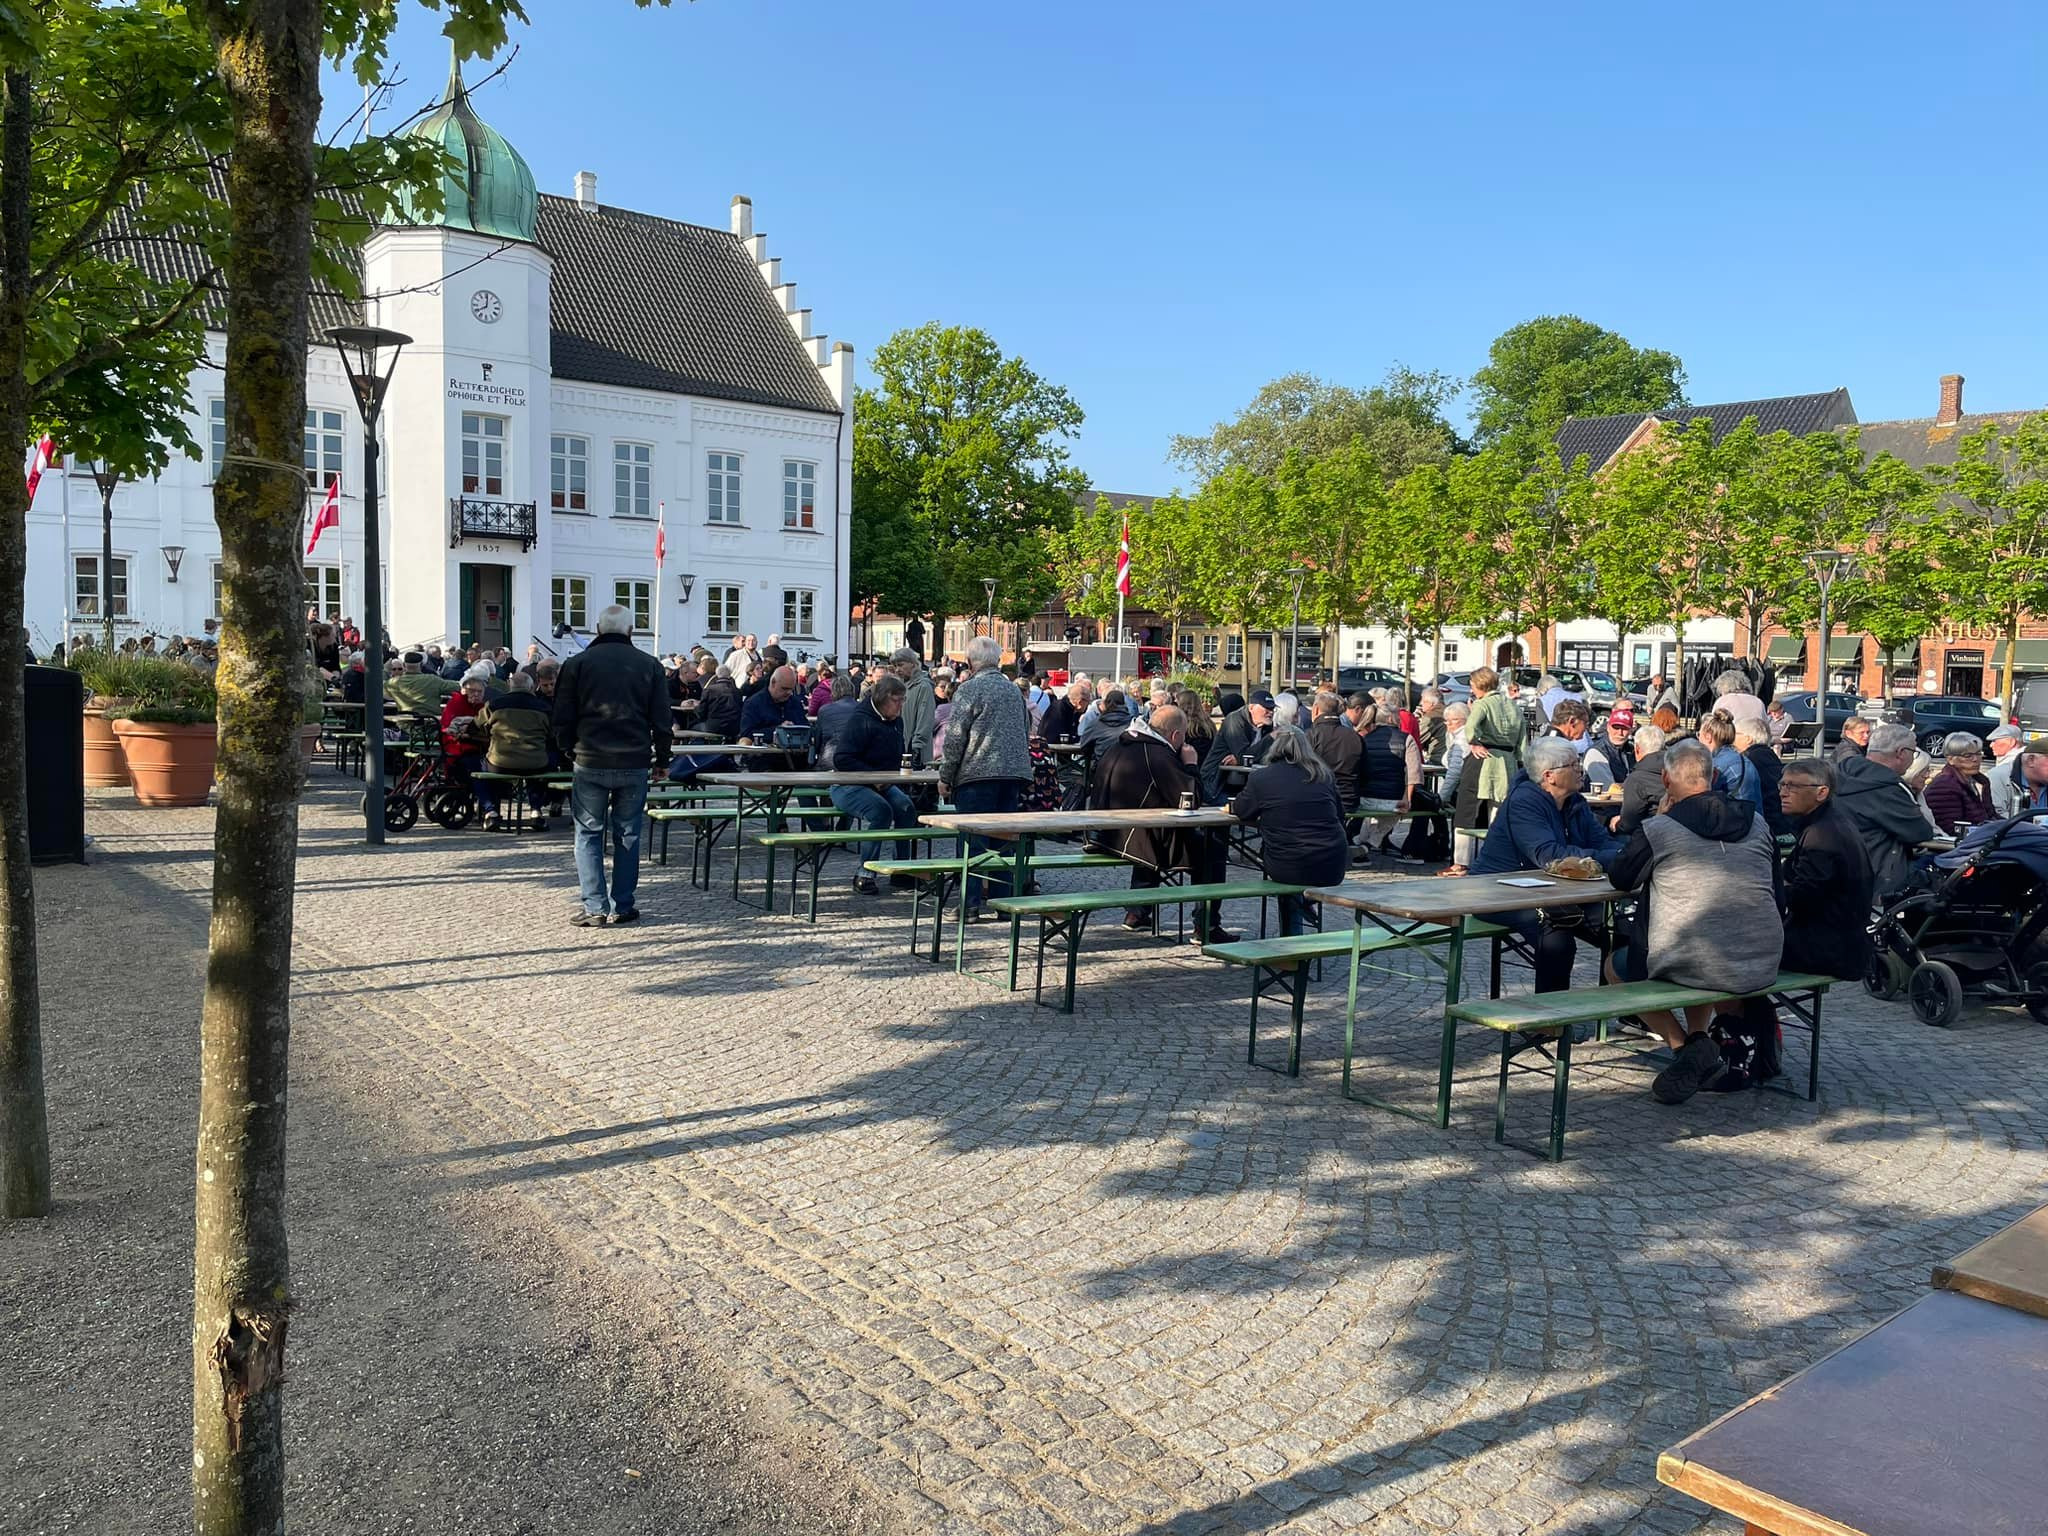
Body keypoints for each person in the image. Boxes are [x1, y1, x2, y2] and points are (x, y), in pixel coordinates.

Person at [1604, 739, 1783, 1103]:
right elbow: (1778, 891)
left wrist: (1657, 821)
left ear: (1667, 782)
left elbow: (1622, 878)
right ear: (1714, 776)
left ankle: (1684, 1047)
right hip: (1762, 957)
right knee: (1692, 951)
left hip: (1696, 958)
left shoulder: (1661, 830)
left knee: (1616, 967)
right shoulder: (1759, 823)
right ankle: (1700, 1042)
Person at [1471, 736, 1622, 991]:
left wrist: (1620, 855)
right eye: (1573, 765)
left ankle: (1630, 1012)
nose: (1580, 769)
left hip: (1556, 891)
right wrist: (1609, 858)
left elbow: (1602, 841)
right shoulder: (1524, 801)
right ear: (1549, 775)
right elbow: (1551, 856)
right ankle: (1549, 1023)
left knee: (1621, 925)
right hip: (1500, 891)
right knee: (1556, 936)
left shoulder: (1575, 802)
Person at [552, 604, 669, 927]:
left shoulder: (577, 664)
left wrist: (567, 750)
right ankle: (623, 904)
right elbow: (662, 718)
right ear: (631, 631)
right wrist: (662, 758)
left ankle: (594, 907)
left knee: (588, 833)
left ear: (598, 629)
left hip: (590, 758)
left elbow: (562, 714)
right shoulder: (650, 665)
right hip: (633, 759)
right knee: (628, 834)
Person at [1087, 703, 1235, 943]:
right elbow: (1190, 799)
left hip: (1105, 833)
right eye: (1183, 736)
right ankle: (1206, 925)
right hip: (1133, 839)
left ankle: (1138, 912)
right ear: (1175, 735)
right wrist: (1190, 764)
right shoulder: (1158, 754)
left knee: (1154, 832)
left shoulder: (1121, 745)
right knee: (1212, 850)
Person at [938, 635, 1034, 919]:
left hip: (977, 774)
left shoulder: (969, 690)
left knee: (973, 842)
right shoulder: (1014, 691)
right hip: (1013, 774)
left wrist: (946, 775)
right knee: (1004, 842)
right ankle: (1003, 906)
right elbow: (1025, 728)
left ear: (970, 662)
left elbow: (955, 739)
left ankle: (969, 906)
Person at [1231, 724, 1349, 936]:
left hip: (1289, 864)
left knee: (1285, 865)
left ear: (1274, 748)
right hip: (1332, 862)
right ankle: (1302, 909)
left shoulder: (1262, 778)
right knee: (1293, 865)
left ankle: (1290, 943)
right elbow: (1340, 815)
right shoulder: (1324, 775)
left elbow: (1241, 810)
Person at [1777, 757, 1875, 981]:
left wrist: (1773, 885)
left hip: (1826, 949)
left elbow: (1802, 897)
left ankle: (1754, 1017)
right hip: (1836, 943)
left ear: (1821, 793)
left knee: (1734, 956)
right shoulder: (1829, 823)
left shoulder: (1822, 834)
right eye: (1782, 784)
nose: (1783, 792)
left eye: (1793, 786)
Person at [830, 672, 917, 895]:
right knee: (880, 811)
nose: (901, 706)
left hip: (883, 782)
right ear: (883, 699)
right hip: (848, 784)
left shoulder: (896, 720)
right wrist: (872, 776)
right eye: (897, 701)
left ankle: (902, 869)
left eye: (902, 700)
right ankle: (865, 873)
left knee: (907, 808)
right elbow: (842, 759)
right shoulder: (861, 720)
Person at [1835, 721, 1936, 899]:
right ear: (1901, 753)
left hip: (1837, 868)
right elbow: (1920, 832)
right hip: (1878, 877)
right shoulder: (1890, 788)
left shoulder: (1839, 772)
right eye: (1913, 752)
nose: (1913, 757)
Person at [472, 670, 554, 831]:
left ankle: (491, 811)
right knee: (542, 765)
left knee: (478, 768)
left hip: (499, 762)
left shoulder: (494, 705)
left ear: (510, 686)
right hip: (535, 763)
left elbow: (476, 726)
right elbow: (552, 734)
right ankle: (536, 811)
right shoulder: (544, 708)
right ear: (532, 687)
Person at [1457, 666, 1525, 854]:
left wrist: (1474, 743)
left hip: (1485, 759)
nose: (1471, 689)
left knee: (1468, 808)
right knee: (1498, 810)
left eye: (1472, 685)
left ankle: (1461, 861)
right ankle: (1495, 854)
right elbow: (1523, 739)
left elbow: (1470, 728)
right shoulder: (1513, 705)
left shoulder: (1482, 704)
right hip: (1508, 761)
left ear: (1478, 685)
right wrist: (1518, 760)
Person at [1354, 700, 1423, 864]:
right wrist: (1408, 799)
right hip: (1393, 800)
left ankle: (1359, 843)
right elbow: (1414, 774)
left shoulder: (1364, 739)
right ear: (1392, 719)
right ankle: (1370, 843)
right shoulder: (1407, 739)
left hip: (1365, 799)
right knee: (1399, 809)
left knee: (1371, 814)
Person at [1202, 689, 1275, 803]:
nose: (1270, 712)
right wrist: (1271, 738)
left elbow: (1263, 757)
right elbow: (1244, 757)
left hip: (1243, 784)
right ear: (1251, 708)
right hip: (1216, 786)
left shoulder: (1266, 725)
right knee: (1251, 807)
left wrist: (1242, 758)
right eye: (1266, 709)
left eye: (1272, 709)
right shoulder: (1234, 721)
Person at [1922, 732, 1996, 834]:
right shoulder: (1944, 786)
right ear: (1950, 759)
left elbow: (1991, 816)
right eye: (1967, 755)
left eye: (1978, 753)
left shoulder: (1980, 782)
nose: (1975, 759)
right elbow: (1953, 829)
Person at [1306, 689, 1363, 814]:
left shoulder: (1310, 736)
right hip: (1349, 801)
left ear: (1315, 709)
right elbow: (1365, 772)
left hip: (1318, 799)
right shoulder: (1356, 737)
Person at [438, 669, 490, 795]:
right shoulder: (456, 703)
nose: (476, 694)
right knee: (475, 766)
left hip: (480, 747)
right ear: (464, 690)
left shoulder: (484, 707)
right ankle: (488, 805)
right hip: (457, 748)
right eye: (472, 691)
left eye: (479, 692)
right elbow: (449, 730)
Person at [1735, 715, 1788, 835]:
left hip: (1766, 825)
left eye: (1736, 734)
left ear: (1748, 739)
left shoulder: (1748, 760)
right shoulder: (1768, 755)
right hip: (1780, 821)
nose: (1732, 737)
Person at [1615, 722, 1669, 835]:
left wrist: (1614, 824)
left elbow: (1628, 824)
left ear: (1637, 749)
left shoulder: (1637, 779)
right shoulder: (1680, 770)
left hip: (1651, 836)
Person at [1698, 711, 1759, 805]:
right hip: (1755, 817)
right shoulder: (1745, 760)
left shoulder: (1716, 766)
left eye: (1699, 735)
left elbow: (1700, 799)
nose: (1698, 739)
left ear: (1708, 737)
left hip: (1734, 817)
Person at [738, 664, 808, 745]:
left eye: (791, 689)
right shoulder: (754, 704)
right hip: (763, 755)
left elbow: (806, 728)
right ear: (773, 683)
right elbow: (746, 734)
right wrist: (778, 731)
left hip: (794, 754)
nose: (788, 693)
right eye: (784, 689)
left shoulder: (795, 703)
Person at [811, 671, 862, 769]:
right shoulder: (862, 708)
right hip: (856, 760)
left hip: (830, 759)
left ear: (833, 691)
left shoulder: (824, 710)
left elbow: (818, 740)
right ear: (852, 689)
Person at [1583, 705, 1636, 789]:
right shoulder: (1596, 753)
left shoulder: (1632, 750)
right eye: (1616, 727)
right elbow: (1608, 788)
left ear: (1631, 730)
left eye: (1624, 728)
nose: (1620, 733)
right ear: (1608, 727)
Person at [387, 651, 456, 715]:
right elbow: (457, 687)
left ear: (404, 665)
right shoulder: (432, 680)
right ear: (422, 665)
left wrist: (385, 670)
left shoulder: (393, 682)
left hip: (404, 724)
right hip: (432, 723)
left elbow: (379, 691)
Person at [1078, 686, 1135, 759]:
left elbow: (1084, 746)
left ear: (1105, 703)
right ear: (1124, 704)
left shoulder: (1096, 723)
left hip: (1102, 766)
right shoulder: (1133, 724)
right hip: (1128, 765)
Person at [1987, 723, 2026, 815]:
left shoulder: (1999, 772)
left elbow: (1998, 809)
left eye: (1995, 741)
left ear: (2011, 742)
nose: (1991, 745)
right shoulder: (2025, 760)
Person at [697, 661, 742, 742]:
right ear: (729, 675)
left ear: (717, 674)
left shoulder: (709, 690)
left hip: (714, 726)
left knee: (692, 727)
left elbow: (701, 711)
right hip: (734, 727)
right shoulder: (737, 691)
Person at [1041, 679, 1090, 744]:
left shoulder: (1075, 711)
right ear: (1080, 702)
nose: (1088, 705)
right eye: (1087, 701)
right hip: (1051, 749)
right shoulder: (1059, 710)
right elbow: (1057, 736)